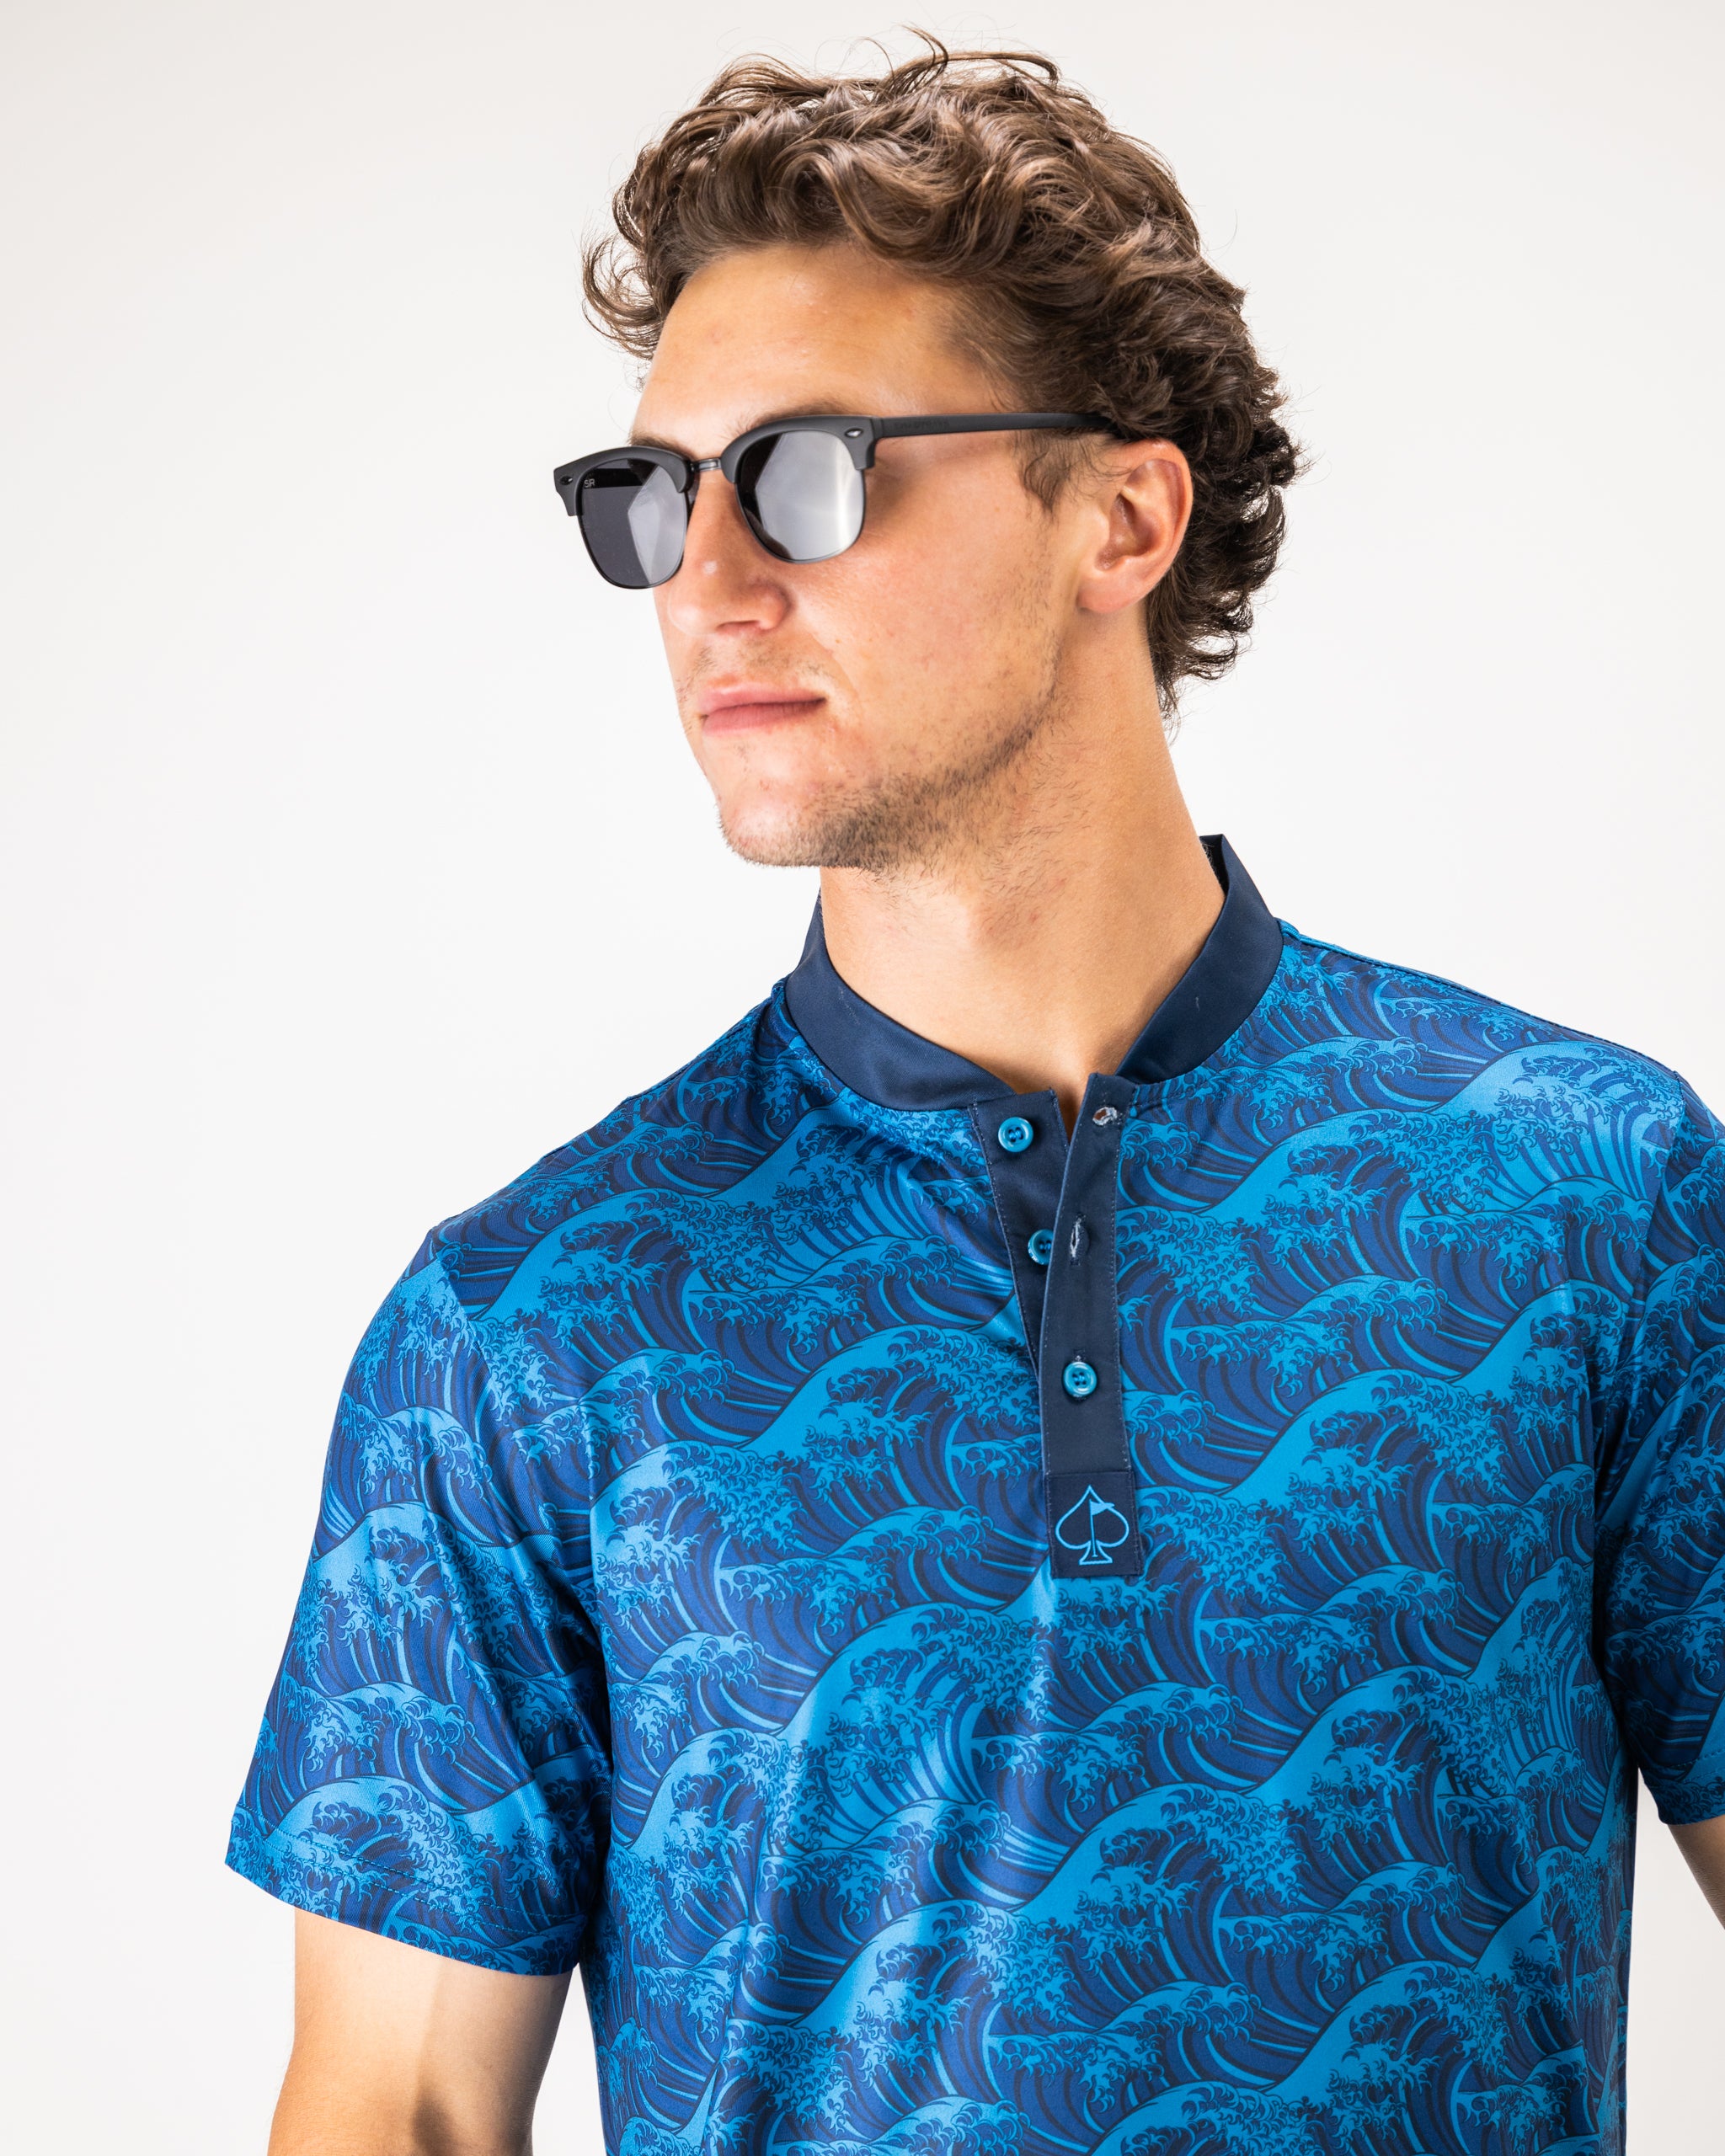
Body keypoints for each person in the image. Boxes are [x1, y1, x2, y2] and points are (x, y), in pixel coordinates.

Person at [227, 40, 1725, 2156]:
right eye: (651, 494)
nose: (707, 579)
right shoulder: (527, 1325)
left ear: (1121, 515)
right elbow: (398, 2109)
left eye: (807, 472)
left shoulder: (1590, 1192)